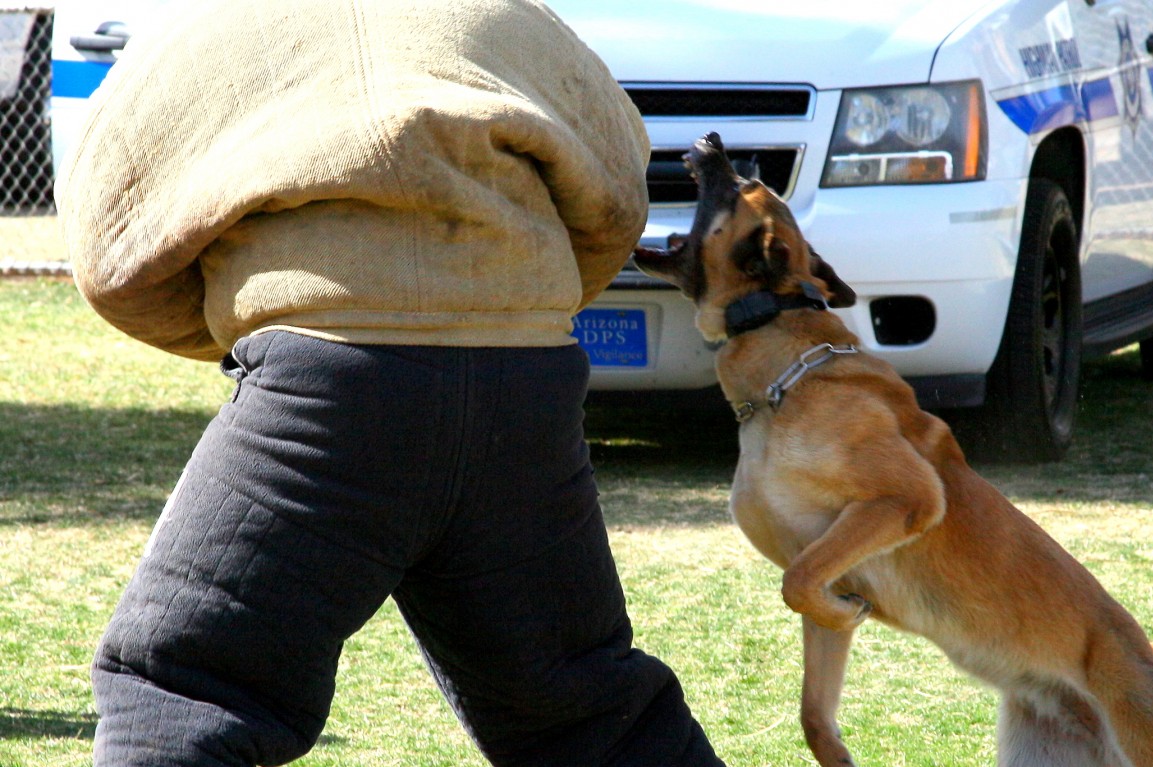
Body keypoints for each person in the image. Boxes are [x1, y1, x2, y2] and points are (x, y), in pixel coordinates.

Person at [56, 1, 725, 765]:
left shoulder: (202, 26)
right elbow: (616, 188)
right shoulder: (509, 14)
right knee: (585, 712)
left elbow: (107, 242)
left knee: (180, 688)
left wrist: (244, 320)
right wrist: (511, 307)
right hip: (524, 376)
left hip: (325, 383)